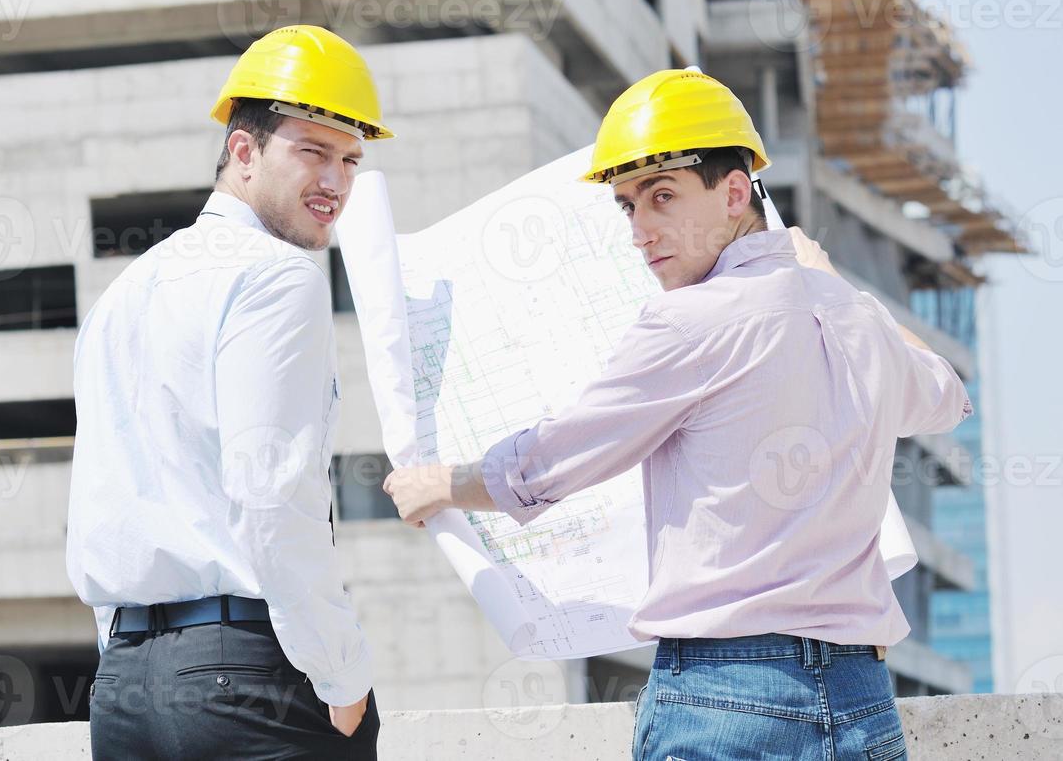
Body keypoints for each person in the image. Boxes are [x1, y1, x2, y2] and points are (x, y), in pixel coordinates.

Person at [382, 69, 970, 760]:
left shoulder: (688, 322)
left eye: (661, 197)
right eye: (628, 206)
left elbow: (549, 463)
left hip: (726, 697)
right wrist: (834, 283)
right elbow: (947, 394)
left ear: (732, 190)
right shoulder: (854, 317)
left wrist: (438, 485)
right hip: (862, 701)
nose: (640, 231)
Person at [67, 24, 390, 759]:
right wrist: (344, 679)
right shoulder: (276, 278)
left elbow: (102, 505)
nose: (336, 182)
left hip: (125, 688)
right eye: (312, 151)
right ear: (242, 152)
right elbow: (272, 495)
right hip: (244, 677)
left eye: (350, 159)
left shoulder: (123, 294)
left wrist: (130, 654)